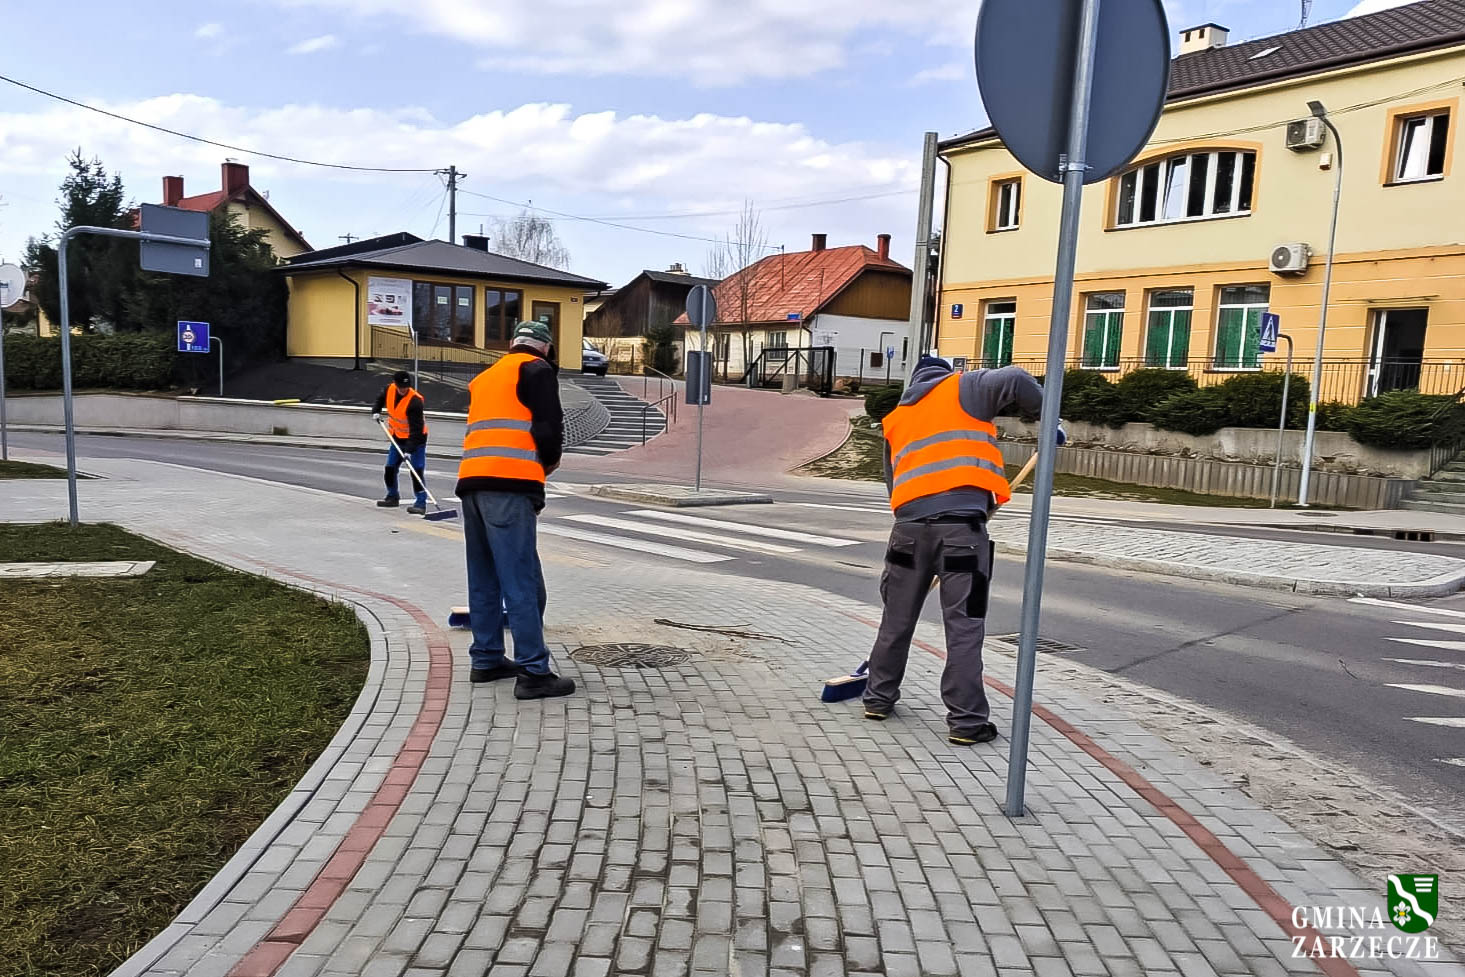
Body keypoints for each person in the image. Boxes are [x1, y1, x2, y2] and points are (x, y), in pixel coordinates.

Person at [862, 355, 1061, 746]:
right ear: (944, 374)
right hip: (961, 534)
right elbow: (1018, 378)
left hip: (907, 531)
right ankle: (966, 722)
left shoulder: (897, 419)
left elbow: (897, 487)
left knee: (896, 619)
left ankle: (877, 698)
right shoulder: (964, 387)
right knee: (963, 628)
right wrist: (1048, 418)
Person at [455, 320, 573, 699]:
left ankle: (487, 659)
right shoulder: (536, 369)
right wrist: (549, 464)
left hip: (472, 483)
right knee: (521, 579)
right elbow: (548, 428)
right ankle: (534, 672)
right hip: (510, 485)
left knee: (484, 575)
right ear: (547, 348)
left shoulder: (486, 377)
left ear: (511, 344)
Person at [372, 371, 429, 515]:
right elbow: (380, 398)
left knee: (416, 471)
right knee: (390, 468)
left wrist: (409, 450)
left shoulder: (415, 402)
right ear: (396, 384)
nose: (403, 389)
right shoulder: (389, 389)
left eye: (406, 387)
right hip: (397, 437)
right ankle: (392, 497)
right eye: (401, 387)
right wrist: (376, 411)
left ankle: (421, 503)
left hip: (416, 441)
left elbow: (416, 430)